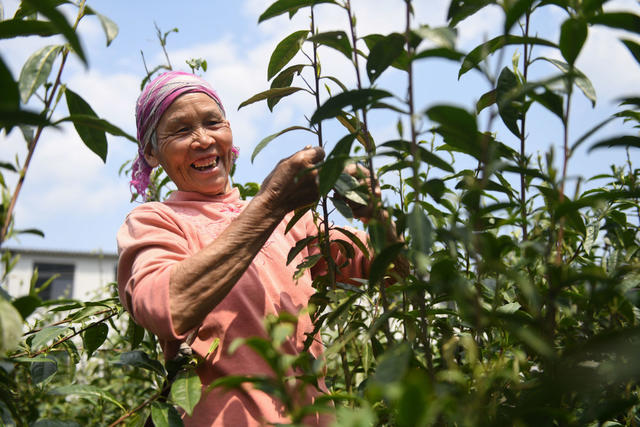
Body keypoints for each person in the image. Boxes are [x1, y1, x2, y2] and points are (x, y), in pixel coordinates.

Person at [116, 71, 374, 426]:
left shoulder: (292, 219)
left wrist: (377, 212)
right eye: (180, 130)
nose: (203, 139)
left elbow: (394, 272)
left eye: (212, 122)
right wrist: (270, 204)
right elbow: (167, 308)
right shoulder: (155, 221)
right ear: (151, 153)